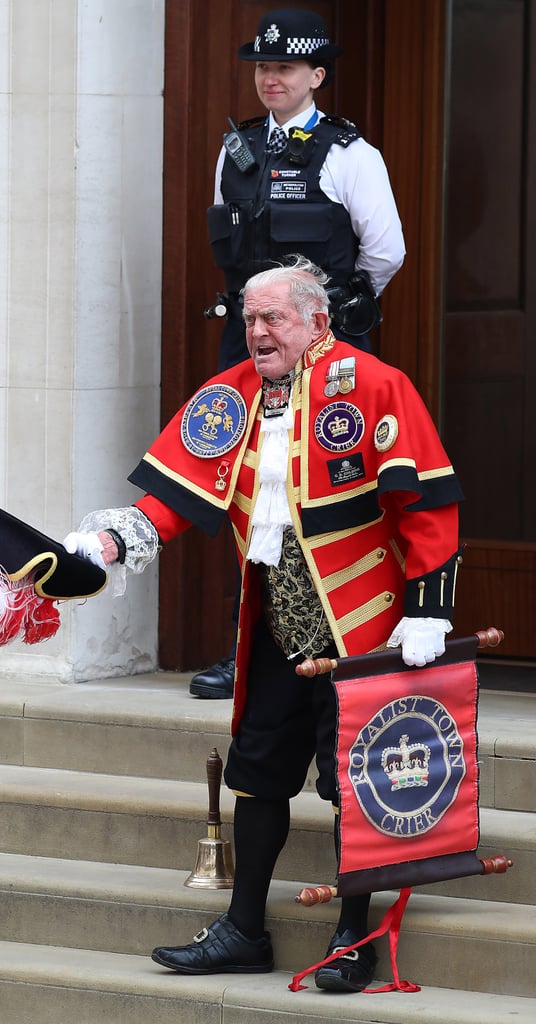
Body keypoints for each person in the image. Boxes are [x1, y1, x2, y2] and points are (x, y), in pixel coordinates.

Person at [64, 257, 463, 991]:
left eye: (271, 317)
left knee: (359, 782)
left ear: (317, 320)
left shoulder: (375, 384)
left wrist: (428, 610)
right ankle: (244, 929)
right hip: (278, 625)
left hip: (365, 629)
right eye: (248, 319)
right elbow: (172, 497)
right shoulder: (230, 396)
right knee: (257, 774)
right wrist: (107, 542)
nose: (256, 332)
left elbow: (428, 506)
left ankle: (355, 936)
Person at [191, 6, 406, 699]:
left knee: (330, 485)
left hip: (327, 346)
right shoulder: (238, 150)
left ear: (317, 75)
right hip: (250, 347)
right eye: (262, 67)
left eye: (284, 67)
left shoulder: (350, 155)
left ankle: (344, 640)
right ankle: (247, 648)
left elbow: (385, 252)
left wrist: (328, 317)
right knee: (251, 489)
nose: (270, 78)